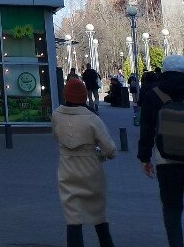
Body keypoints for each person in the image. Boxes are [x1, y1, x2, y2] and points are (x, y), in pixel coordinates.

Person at [52, 78, 117, 247]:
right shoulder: (92, 118)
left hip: (66, 171)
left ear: (66, 95)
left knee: (72, 219)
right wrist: (100, 154)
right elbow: (110, 149)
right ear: (84, 97)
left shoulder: (56, 115)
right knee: (98, 216)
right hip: (91, 172)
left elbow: (55, 137)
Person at [138, 54, 184, 247]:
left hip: (166, 160)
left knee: (172, 208)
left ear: (164, 70)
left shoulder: (154, 95)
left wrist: (144, 158)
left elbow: (147, 129)